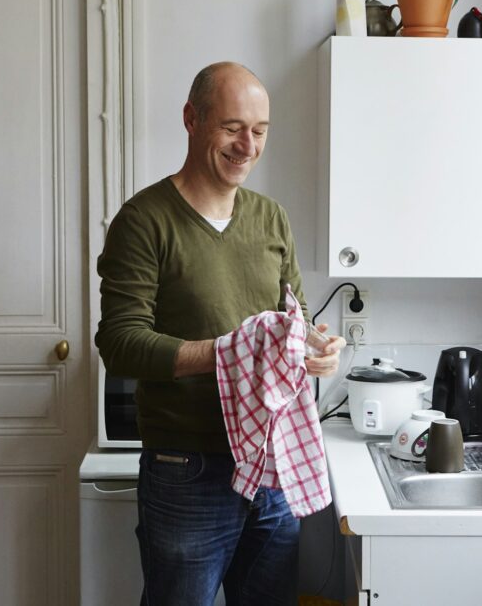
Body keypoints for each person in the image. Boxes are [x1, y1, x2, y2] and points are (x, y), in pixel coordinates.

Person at [95, 61, 346, 606]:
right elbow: (118, 341)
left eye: (259, 132)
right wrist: (229, 354)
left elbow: (293, 318)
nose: (247, 145)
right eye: (232, 127)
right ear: (192, 119)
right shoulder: (143, 221)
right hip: (188, 468)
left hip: (274, 463)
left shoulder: (271, 218)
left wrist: (316, 349)